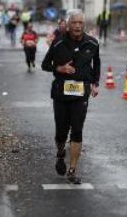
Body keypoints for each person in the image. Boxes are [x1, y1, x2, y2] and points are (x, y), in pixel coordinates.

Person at [41, 10, 100, 184]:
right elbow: (45, 64)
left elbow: (96, 66)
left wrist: (94, 83)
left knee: (77, 130)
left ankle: (72, 170)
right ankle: (60, 152)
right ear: (68, 25)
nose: (77, 26)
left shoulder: (92, 44)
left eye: (80, 23)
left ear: (84, 25)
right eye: (74, 23)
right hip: (61, 93)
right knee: (61, 131)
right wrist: (59, 69)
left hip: (81, 94)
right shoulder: (58, 42)